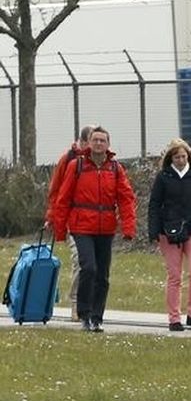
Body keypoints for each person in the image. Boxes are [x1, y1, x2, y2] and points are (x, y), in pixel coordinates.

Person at [50, 126, 136, 333]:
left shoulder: (115, 168)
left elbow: (126, 199)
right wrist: (59, 229)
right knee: (88, 267)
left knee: (103, 275)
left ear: (108, 145)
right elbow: (63, 197)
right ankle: (84, 314)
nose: (98, 144)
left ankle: (97, 317)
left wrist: (128, 228)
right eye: (95, 140)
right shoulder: (76, 165)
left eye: (102, 140)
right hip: (81, 225)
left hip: (105, 227)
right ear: (88, 143)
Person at [147, 138, 191, 332]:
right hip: (169, 233)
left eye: (184, 156)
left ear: (189, 156)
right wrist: (153, 231)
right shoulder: (163, 178)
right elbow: (154, 205)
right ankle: (174, 318)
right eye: (177, 156)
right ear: (171, 158)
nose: (181, 159)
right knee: (174, 276)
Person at [44, 125, 94, 322]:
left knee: (94, 265)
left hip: (95, 221)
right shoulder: (69, 159)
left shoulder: (103, 161)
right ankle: (75, 303)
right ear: (83, 142)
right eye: (92, 141)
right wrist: (52, 216)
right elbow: (55, 190)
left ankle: (90, 305)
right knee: (79, 260)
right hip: (74, 219)